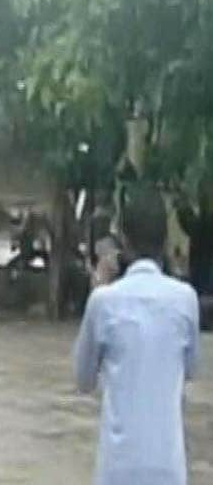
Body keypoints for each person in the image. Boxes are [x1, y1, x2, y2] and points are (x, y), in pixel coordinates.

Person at [74, 185, 200, 485]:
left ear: (123, 243)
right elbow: (191, 371)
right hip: (168, 469)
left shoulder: (103, 302)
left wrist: (98, 284)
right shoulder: (186, 299)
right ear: (166, 239)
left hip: (117, 469)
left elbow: (83, 380)